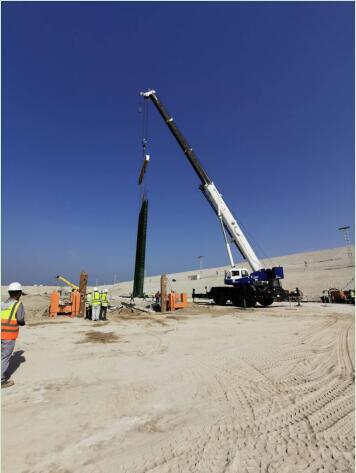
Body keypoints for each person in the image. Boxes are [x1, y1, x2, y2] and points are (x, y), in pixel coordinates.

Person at [1, 282, 26, 388]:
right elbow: (20, 319)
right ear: (19, 293)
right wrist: (22, 322)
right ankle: (1, 381)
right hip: (8, 335)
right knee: (4, 358)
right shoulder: (18, 304)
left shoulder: (3, 303)